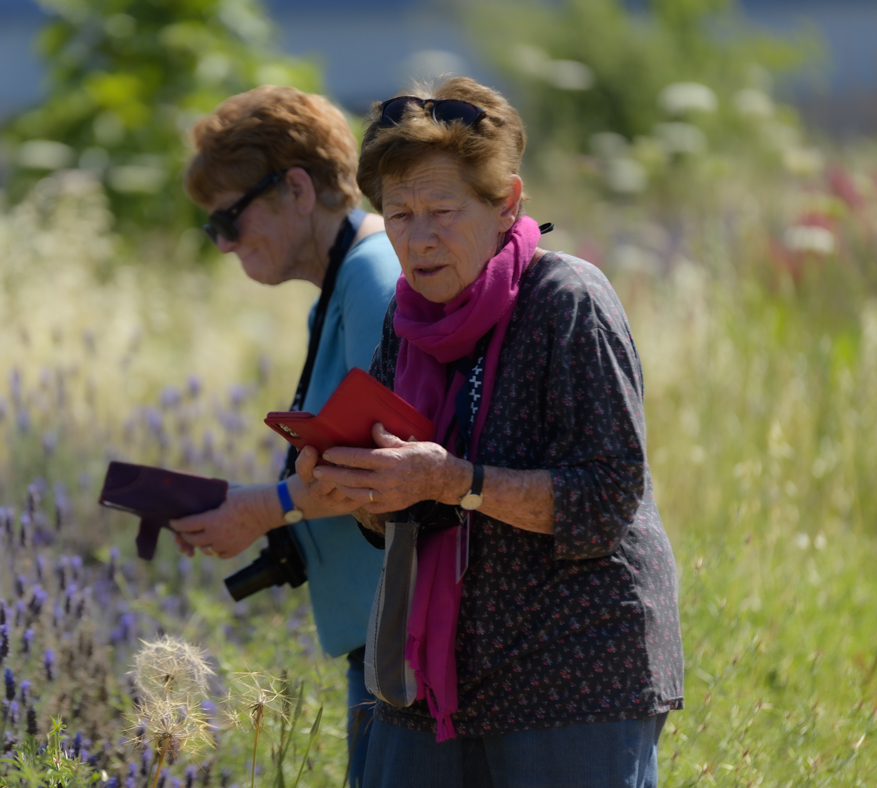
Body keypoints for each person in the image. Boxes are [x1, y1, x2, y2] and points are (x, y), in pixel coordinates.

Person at [281, 77, 683, 787]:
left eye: (443, 209)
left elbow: (606, 497)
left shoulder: (565, 300)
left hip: (572, 670)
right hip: (432, 675)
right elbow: (399, 512)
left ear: (507, 204)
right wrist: (363, 491)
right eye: (398, 214)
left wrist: (452, 480)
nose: (419, 235)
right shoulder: (407, 324)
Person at [169, 85, 401, 787]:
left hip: (399, 638)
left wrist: (265, 506)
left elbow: (380, 469)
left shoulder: (371, 279)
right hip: (379, 631)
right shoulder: (341, 285)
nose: (226, 244)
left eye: (229, 220)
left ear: (297, 189)